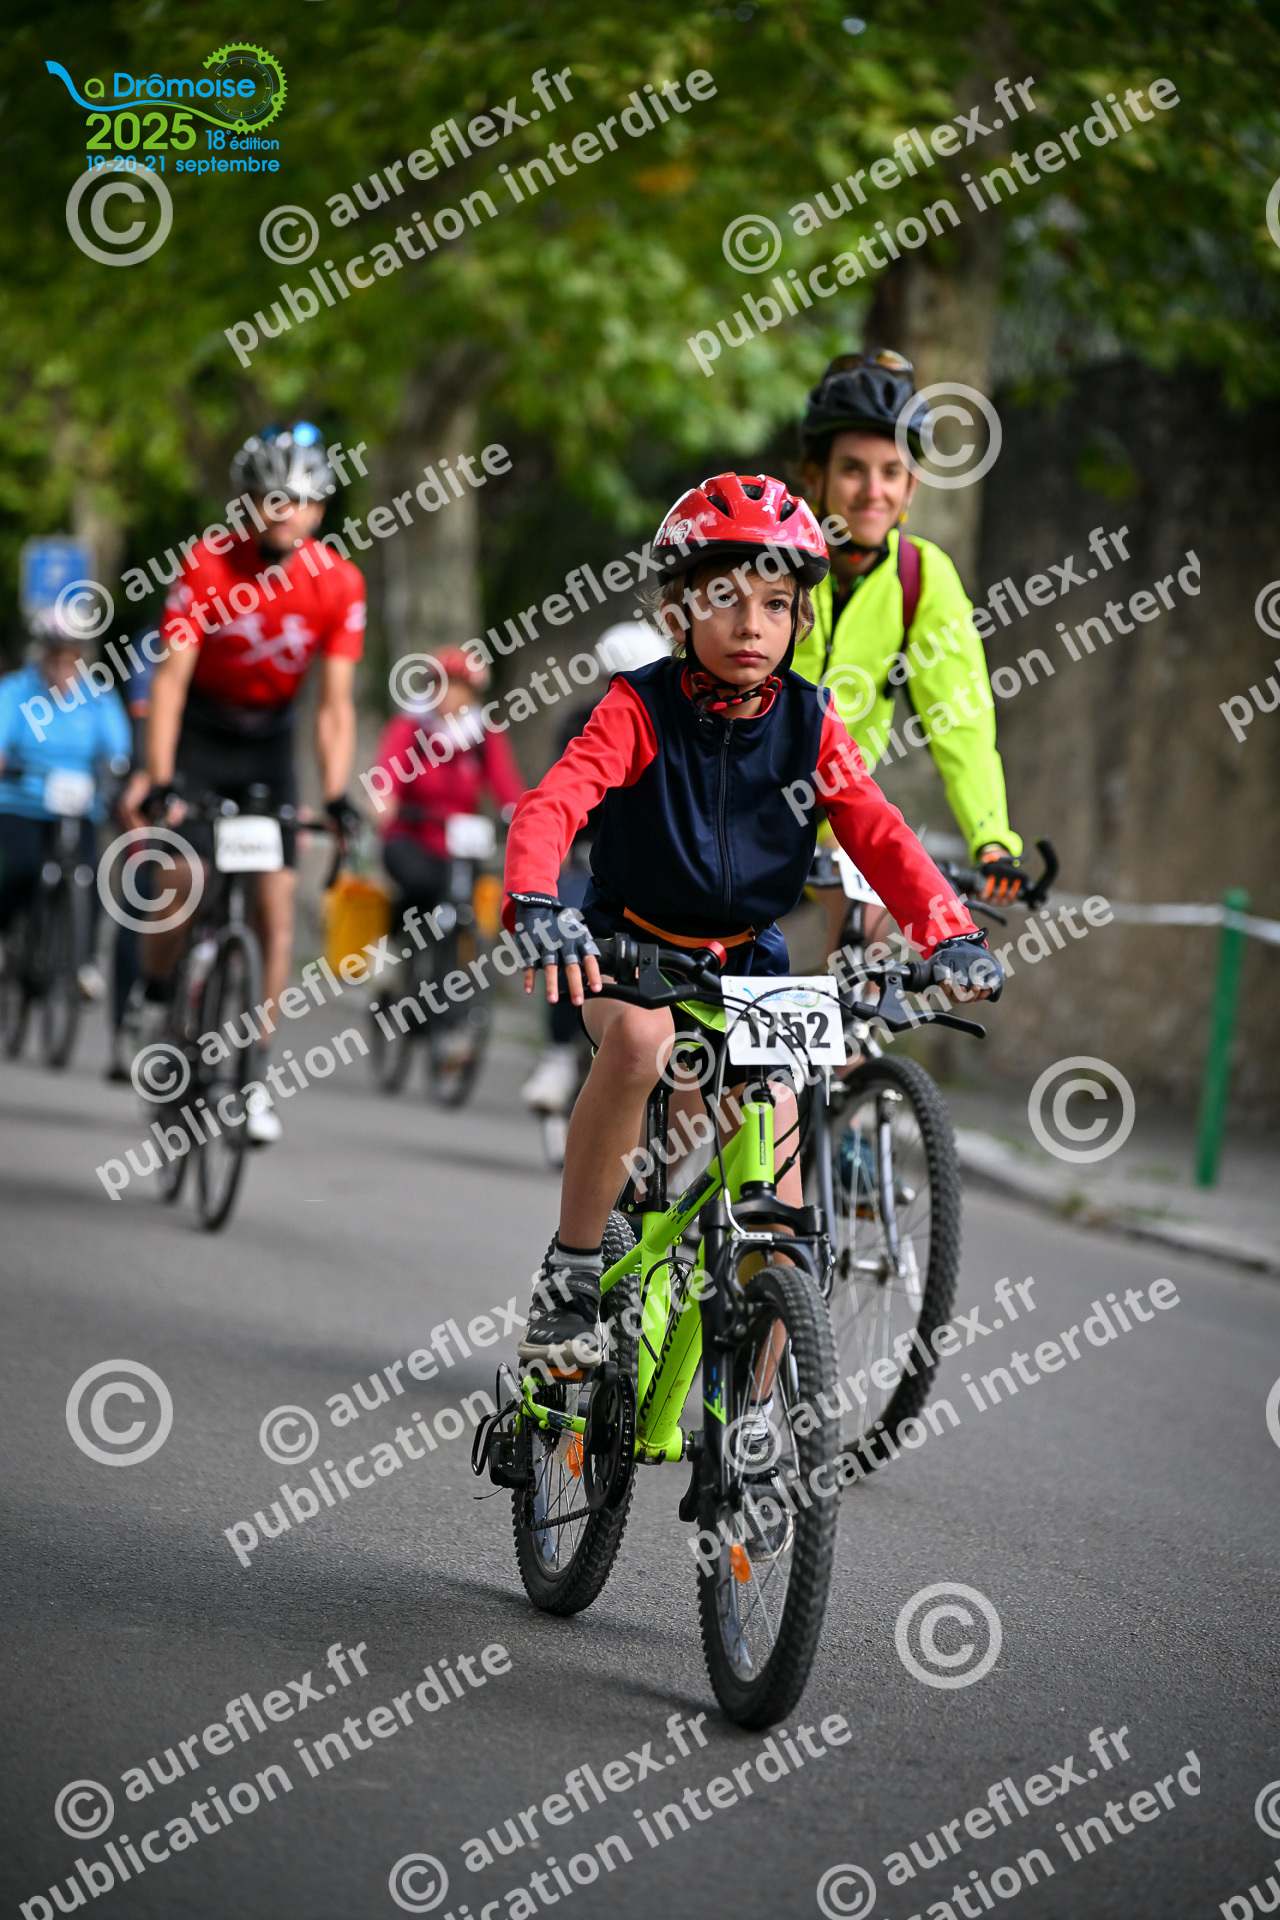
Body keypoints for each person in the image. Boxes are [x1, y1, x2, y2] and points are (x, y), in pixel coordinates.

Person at [501, 473, 1001, 1370]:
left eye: (775, 605)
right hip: (630, 946)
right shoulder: (637, 706)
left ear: (800, 619)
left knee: (782, 1217)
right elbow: (553, 804)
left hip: (748, 966)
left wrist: (951, 934)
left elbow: (880, 834)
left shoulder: (811, 722)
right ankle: (573, 1271)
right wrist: (536, 901)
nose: (750, 625)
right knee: (641, 1044)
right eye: (724, 598)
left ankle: (760, 1419)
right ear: (678, 609)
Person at [121, 423, 366, 1143]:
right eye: (271, 499)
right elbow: (169, 684)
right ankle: (155, 994)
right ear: (248, 503)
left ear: (320, 510)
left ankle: (253, 1073)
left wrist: (335, 794)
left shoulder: (339, 582)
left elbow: (333, 706)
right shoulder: (205, 565)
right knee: (182, 874)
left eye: (301, 501)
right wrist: (161, 779)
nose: (285, 513)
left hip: (267, 744)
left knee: (274, 904)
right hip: (200, 732)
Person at [793, 350, 1024, 964]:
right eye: (853, 469)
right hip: (726, 798)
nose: (873, 491)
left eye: (891, 472)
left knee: (872, 942)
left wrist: (991, 840)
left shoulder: (924, 578)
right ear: (814, 476)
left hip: (832, 816)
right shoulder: (775, 558)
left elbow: (963, 722)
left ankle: (843, 1033)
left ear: (911, 487)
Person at [520, 621, 669, 1120]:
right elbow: (560, 799)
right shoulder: (582, 723)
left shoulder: (681, 728)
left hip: (654, 876)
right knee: (569, 937)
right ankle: (558, 1055)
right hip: (590, 862)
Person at [372, 647, 523, 1064]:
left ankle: (449, 1010)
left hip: (459, 847)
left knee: (463, 911)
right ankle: (394, 956)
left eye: (457, 687)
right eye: (440, 685)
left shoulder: (484, 736)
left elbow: (507, 786)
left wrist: (521, 819)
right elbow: (387, 772)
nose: (448, 695)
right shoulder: (410, 726)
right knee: (420, 888)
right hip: (410, 836)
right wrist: (383, 799)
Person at [0, 612, 130, 999]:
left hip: (78, 805)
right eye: (54, 659)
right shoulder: (16, 690)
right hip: (23, 799)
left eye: (70, 660)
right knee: (20, 868)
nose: (62, 670)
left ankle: (83, 959)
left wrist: (118, 770)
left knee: (90, 875)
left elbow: (118, 746)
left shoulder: (98, 696)